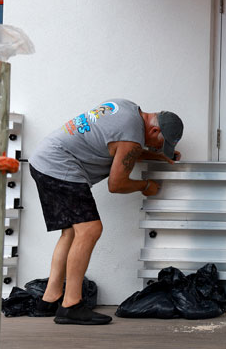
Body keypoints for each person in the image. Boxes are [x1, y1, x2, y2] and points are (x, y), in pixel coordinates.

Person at [28, 99, 183, 325]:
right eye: (159, 143)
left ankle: (49, 299)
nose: (157, 147)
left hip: (44, 160)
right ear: (155, 129)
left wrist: (158, 157)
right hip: (61, 166)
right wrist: (145, 186)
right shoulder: (132, 137)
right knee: (90, 229)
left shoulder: (127, 108)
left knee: (71, 232)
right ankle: (71, 305)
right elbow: (117, 184)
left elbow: (122, 147)